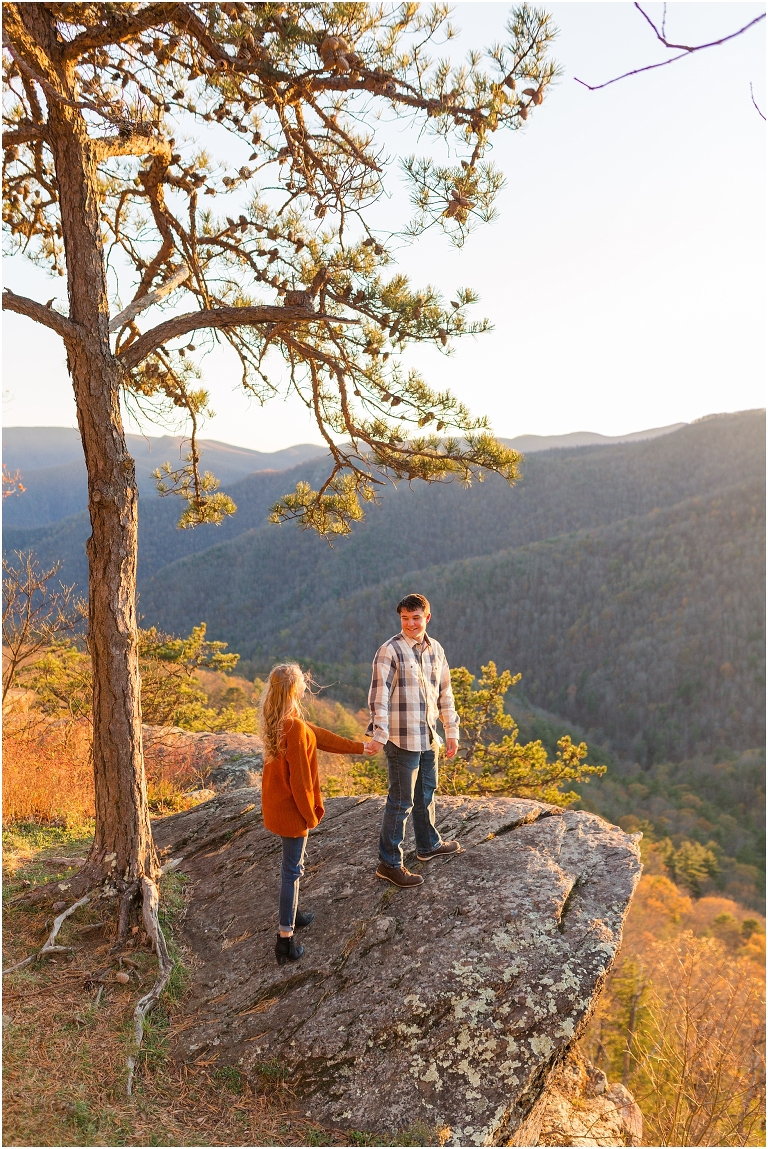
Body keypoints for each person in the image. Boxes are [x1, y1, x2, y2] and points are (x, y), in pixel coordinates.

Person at [259, 663, 371, 964]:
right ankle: (285, 939)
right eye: (303, 684)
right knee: (292, 870)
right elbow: (300, 780)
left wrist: (360, 747)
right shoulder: (293, 727)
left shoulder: (282, 720)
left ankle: (293, 913)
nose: (306, 687)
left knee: (291, 866)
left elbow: (319, 736)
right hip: (292, 809)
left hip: (277, 805)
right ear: (296, 690)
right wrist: (310, 814)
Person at [366, 593, 461, 888]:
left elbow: (444, 694)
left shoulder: (437, 650)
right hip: (401, 738)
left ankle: (428, 845)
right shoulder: (389, 651)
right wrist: (379, 734)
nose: (410, 623)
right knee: (401, 802)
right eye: (405, 619)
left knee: (426, 793)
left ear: (427, 618)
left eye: (415, 618)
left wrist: (451, 731)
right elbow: (378, 696)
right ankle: (389, 863)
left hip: (428, 736)